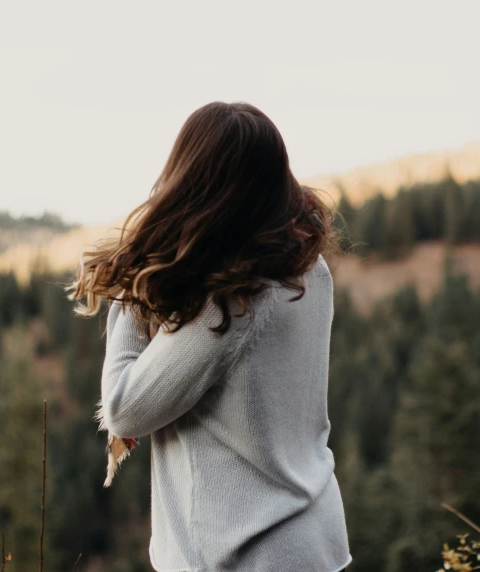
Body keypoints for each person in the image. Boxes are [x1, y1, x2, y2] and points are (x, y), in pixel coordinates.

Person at [68, 101, 352, 571]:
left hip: (241, 555)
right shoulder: (308, 268)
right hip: (314, 543)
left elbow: (123, 408)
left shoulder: (229, 307)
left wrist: (130, 287)